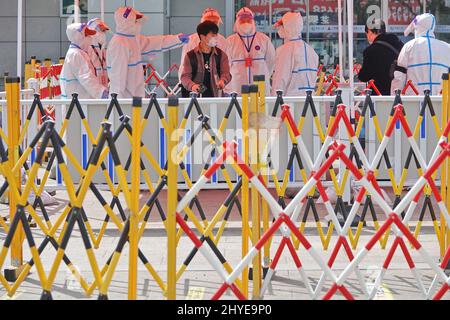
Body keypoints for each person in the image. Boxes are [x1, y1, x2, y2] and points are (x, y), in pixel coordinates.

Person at [107, 6, 189, 98]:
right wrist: (116, 103)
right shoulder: (119, 43)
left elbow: (155, 42)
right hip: (124, 101)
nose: (138, 24)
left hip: (135, 98)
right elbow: (118, 78)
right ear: (127, 21)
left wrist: (176, 39)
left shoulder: (133, 39)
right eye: (135, 20)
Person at [392, 13, 450, 95]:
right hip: (441, 101)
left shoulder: (409, 46)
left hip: (414, 101)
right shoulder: (447, 48)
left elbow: (399, 76)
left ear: (417, 28)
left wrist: (394, 99)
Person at [224, 7, 275, 95]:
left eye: (248, 20)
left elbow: (271, 61)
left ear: (252, 21)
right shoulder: (230, 41)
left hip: (260, 82)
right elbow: (225, 64)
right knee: (239, 108)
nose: (245, 22)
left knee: (260, 107)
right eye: (243, 20)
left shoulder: (263, 39)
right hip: (238, 84)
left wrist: (264, 73)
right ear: (237, 22)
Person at [271, 11, 319, 96]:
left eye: (281, 26)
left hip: (290, 101)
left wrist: (274, 101)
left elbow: (281, 79)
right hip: (311, 100)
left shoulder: (284, 50)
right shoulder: (311, 50)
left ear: (287, 28)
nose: (279, 29)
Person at [180, 21, 231, 98]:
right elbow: (185, 77)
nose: (216, 37)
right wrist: (193, 86)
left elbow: (226, 73)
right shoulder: (190, 56)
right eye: (213, 35)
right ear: (202, 37)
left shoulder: (221, 55)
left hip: (215, 97)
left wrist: (223, 81)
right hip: (194, 98)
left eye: (216, 34)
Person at [178, 8, 227, 82]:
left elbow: (226, 65)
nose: (212, 24)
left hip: (216, 82)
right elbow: (184, 64)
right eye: (209, 21)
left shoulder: (222, 41)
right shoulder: (191, 40)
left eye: (214, 22)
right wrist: (184, 83)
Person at [61, 23, 108, 99]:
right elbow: (86, 77)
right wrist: (102, 93)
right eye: (87, 35)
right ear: (78, 36)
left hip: (80, 101)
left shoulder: (79, 52)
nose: (90, 38)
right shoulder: (75, 54)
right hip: (78, 103)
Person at [358, 19, 404, 95]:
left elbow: (364, 77)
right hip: (399, 91)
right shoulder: (399, 44)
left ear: (369, 31)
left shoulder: (370, 51)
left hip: (379, 94)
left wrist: (361, 70)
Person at [87, 18, 110, 86]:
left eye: (104, 31)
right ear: (93, 30)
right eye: (101, 30)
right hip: (92, 91)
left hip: (102, 89)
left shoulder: (102, 50)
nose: (103, 34)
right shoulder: (88, 49)